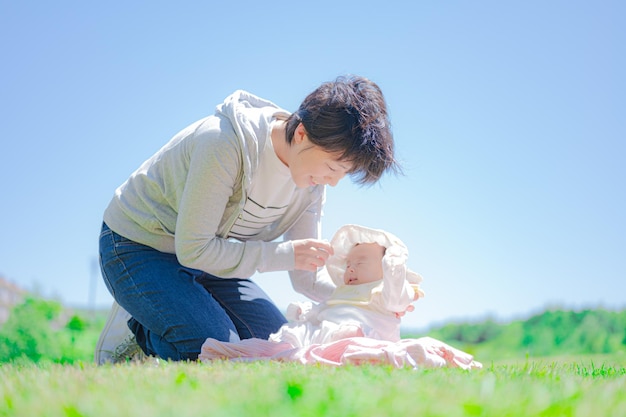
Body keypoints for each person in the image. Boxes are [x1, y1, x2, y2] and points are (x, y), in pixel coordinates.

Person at [95, 75, 401, 364]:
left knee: (276, 346)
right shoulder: (224, 143)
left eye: (341, 175)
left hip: (208, 260)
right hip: (138, 246)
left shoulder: (311, 184)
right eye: (333, 168)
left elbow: (304, 277)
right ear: (301, 133)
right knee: (214, 345)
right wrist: (285, 254)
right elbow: (194, 248)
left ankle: (171, 307)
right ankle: (142, 328)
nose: (332, 182)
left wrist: (371, 300)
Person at [267, 224, 425, 347]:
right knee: (298, 330)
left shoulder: (386, 289)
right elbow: (328, 309)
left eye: (360, 262)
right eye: (348, 264)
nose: (350, 268)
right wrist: (310, 312)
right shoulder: (342, 291)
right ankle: (281, 346)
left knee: (351, 334)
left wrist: (395, 269)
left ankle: (343, 345)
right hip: (327, 332)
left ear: (385, 268)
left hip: (364, 336)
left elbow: (396, 300)